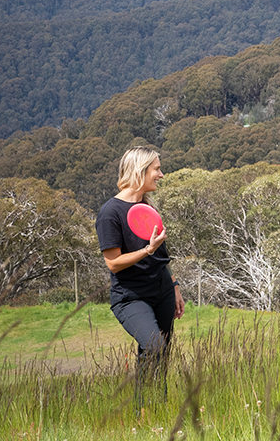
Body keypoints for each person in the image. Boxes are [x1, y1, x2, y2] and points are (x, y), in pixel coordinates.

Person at [95, 146, 184, 407]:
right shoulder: (110, 213)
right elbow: (113, 263)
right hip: (131, 297)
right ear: (140, 170)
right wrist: (147, 249)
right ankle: (143, 411)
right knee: (154, 345)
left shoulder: (146, 207)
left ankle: (155, 409)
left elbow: (162, 255)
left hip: (163, 291)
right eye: (157, 169)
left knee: (161, 353)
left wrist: (175, 286)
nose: (161, 174)